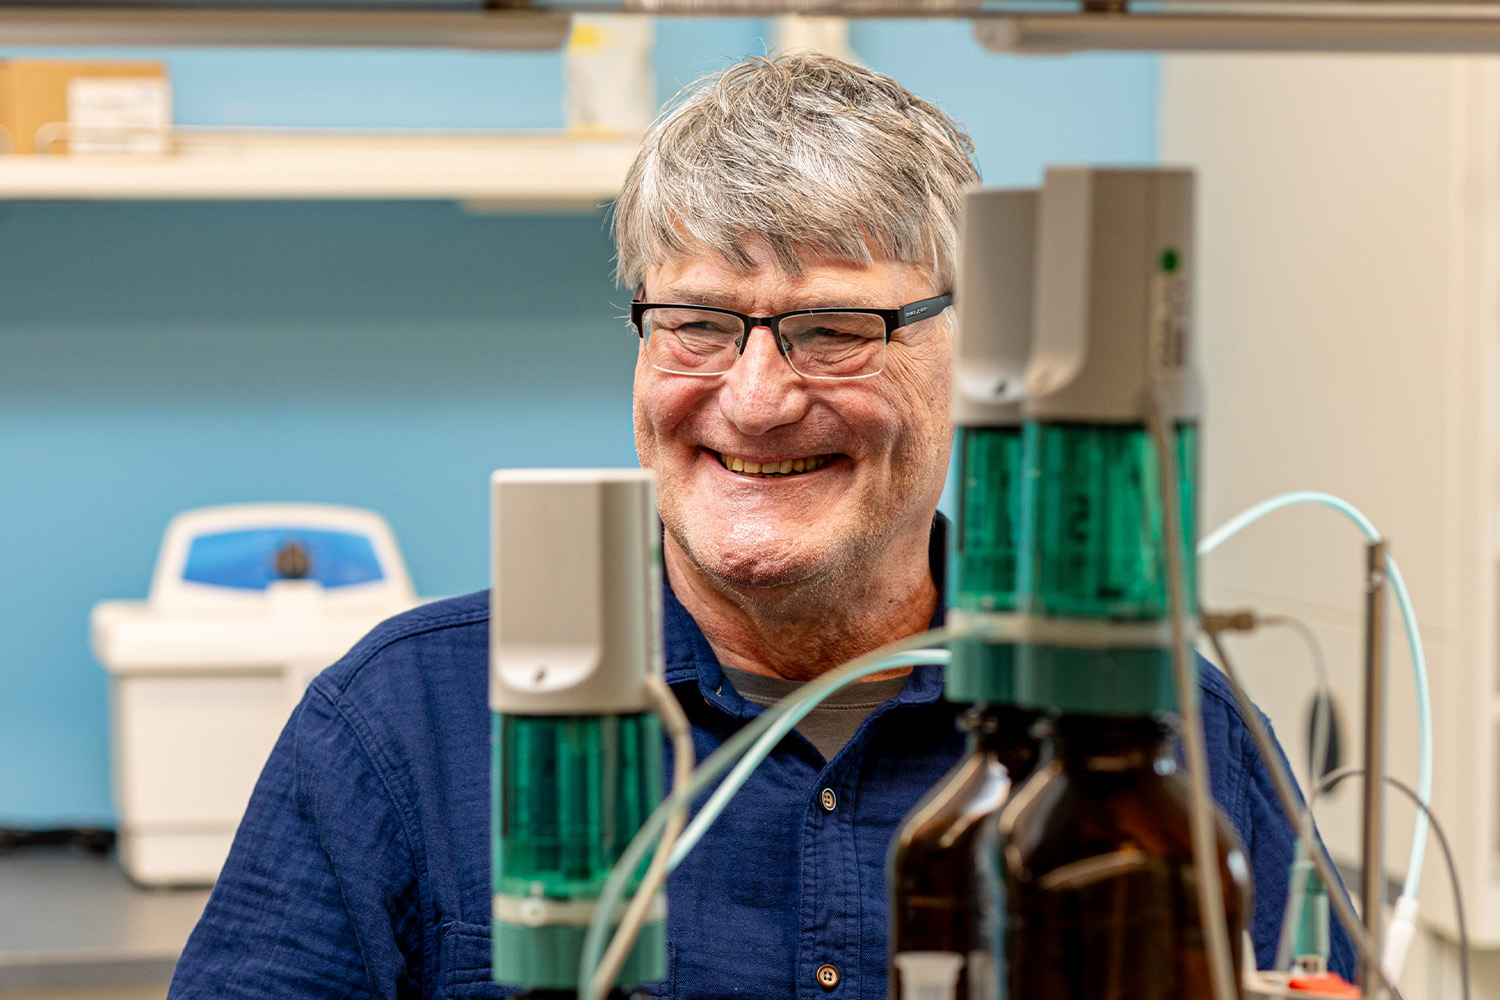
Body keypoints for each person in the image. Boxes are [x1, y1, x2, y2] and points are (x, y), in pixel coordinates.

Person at [167, 53, 1351, 1000]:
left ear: (972, 355)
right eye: (697, 323)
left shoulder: (1163, 734)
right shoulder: (401, 725)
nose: (756, 397)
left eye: (836, 329)